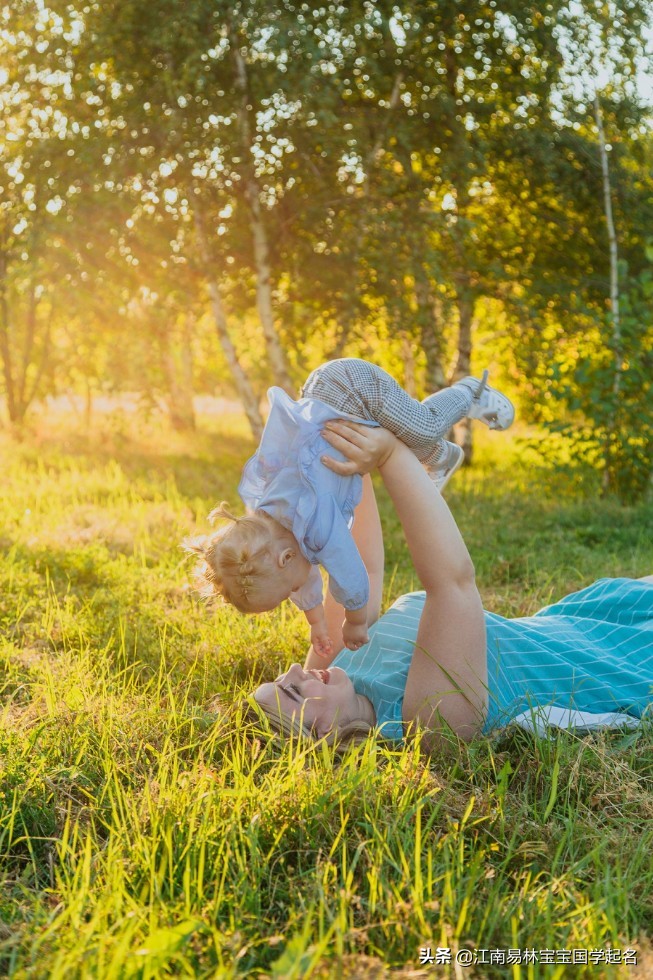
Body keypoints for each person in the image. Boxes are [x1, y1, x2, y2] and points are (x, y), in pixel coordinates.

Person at [253, 422, 653, 752]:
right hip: (606, 660)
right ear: (320, 737)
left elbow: (365, 572)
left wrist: (348, 465)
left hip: (575, 621)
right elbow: (453, 583)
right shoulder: (429, 724)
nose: (293, 669)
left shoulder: (331, 666)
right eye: (292, 693)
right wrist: (391, 457)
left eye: (281, 679)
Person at [186, 358, 514, 658]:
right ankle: (440, 456)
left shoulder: (316, 526)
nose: (295, 594)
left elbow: (353, 576)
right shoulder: (269, 523)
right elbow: (305, 582)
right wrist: (317, 624)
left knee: (423, 425)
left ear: (286, 559)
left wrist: (354, 621)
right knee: (408, 435)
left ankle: (470, 391)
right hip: (325, 398)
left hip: (351, 388)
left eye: (288, 592)